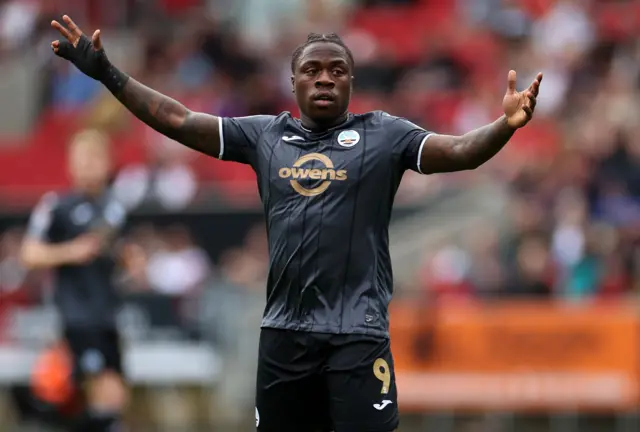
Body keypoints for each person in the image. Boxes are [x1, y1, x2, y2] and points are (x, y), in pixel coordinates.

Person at [50, 15, 542, 432]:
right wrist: (109, 74)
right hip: (285, 336)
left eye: (337, 70)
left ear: (351, 81)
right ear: (293, 83)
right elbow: (178, 119)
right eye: (312, 70)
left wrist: (503, 127)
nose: (324, 78)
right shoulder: (265, 136)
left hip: (357, 334)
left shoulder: (386, 135)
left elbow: (458, 151)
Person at [20, 129, 129, 432]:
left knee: (108, 399)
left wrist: (128, 259)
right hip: (79, 317)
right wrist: (71, 251)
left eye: (95, 159)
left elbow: (116, 256)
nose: (88, 166)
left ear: (108, 164)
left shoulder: (115, 209)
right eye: (82, 159)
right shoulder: (57, 207)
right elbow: (29, 253)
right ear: (70, 164)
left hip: (108, 316)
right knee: (106, 396)